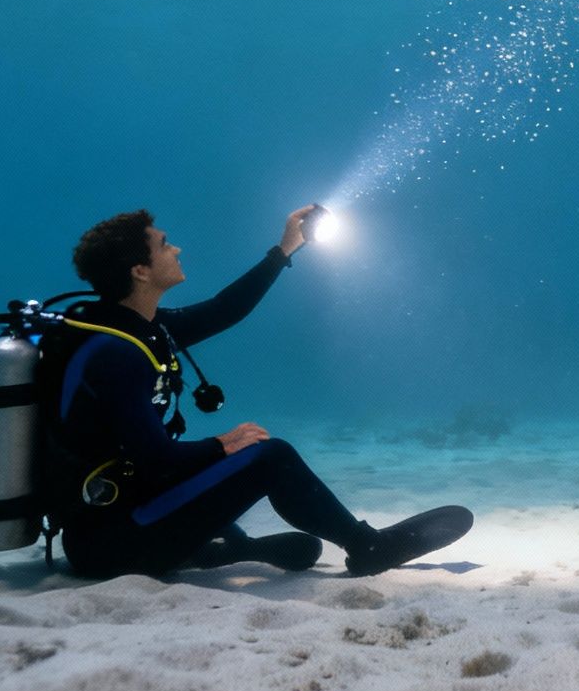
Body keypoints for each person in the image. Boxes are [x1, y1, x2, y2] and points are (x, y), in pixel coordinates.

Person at [45, 205, 448, 578]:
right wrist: (222, 444)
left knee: (230, 490)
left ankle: (228, 549)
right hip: (111, 543)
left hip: (126, 514)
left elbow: (225, 308)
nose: (177, 248)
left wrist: (285, 248)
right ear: (140, 271)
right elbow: (156, 460)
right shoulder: (116, 353)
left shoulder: (143, 328)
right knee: (271, 457)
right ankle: (366, 546)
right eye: (164, 244)